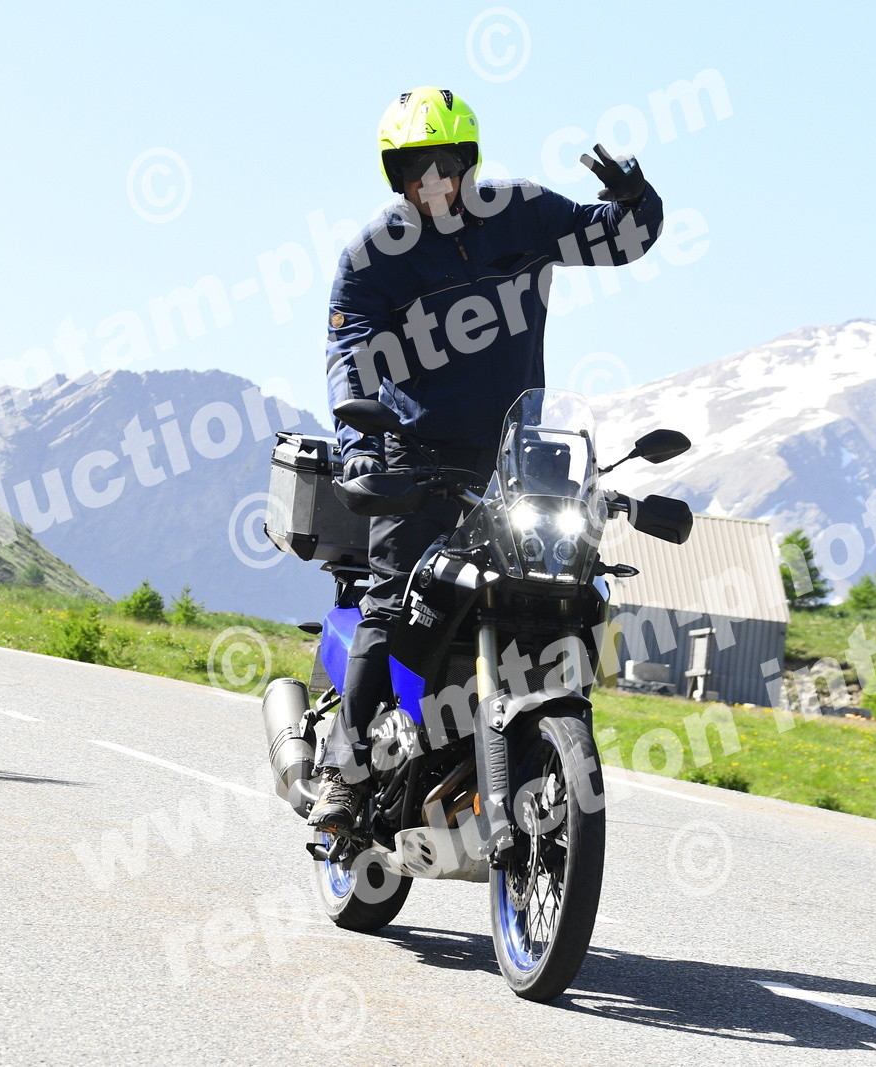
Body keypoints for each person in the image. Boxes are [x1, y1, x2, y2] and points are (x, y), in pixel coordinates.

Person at [309, 86, 664, 835]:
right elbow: (350, 355)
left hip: (516, 457)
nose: (431, 181)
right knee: (392, 601)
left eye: (444, 163)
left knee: (554, 590)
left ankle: (528, 740)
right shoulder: (373, 255)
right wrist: (362, 447)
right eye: (413, 168)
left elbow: (617, 240)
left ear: (468, 161)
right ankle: (344, 771)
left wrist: (636, 198)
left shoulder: (521, 212)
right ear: (394, 175)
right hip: (416, 454)